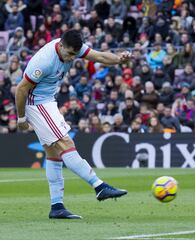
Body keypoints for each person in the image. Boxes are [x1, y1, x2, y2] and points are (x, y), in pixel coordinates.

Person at [15, 30, 132, 219]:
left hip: (47, 100)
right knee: (66, 144)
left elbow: (100, 56)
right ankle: (99, 186)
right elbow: (21, 89)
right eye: (69, 53)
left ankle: (57, 207)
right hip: (36, 103)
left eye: (74, 54)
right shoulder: (44, 61)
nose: (71, 58)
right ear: (60, 45)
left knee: (53, 154)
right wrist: (21, 119)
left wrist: (119, 59)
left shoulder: (74, 49)